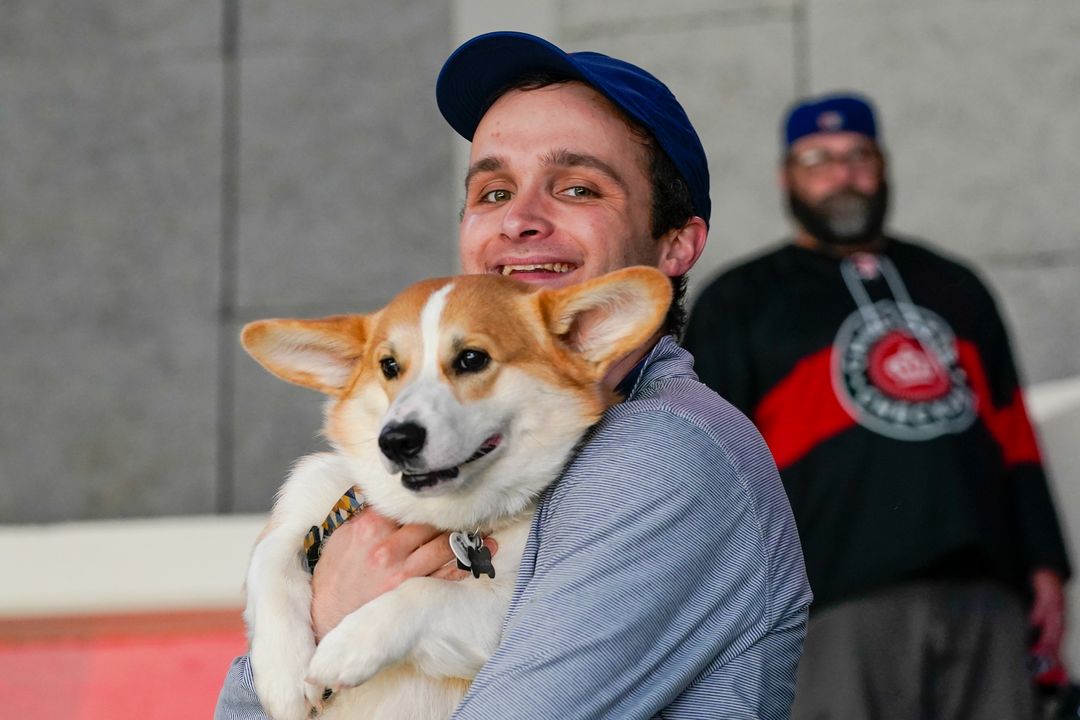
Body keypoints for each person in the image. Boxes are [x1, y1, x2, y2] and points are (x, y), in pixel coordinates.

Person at [216, 31, 811, 719]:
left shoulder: (660, 448)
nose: (519, 220)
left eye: (578, 187)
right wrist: (316, 610)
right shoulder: (475, 452)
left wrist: (348, 615)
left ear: (675, 244)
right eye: (494, 191)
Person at [684, 92, 1072, 719]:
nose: (843, 174)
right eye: (819, 160)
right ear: (786, 176)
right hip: (829, 602)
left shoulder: (955, 284)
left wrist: (1047, 565)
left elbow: (1014, 434)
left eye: (859, 156)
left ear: (883, 166)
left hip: (985, 598)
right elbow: (705, 466)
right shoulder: (740, 300)